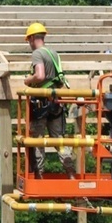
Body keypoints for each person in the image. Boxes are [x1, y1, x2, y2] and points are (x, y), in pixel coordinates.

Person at [23, 22, 76, 179]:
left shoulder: (38, 53)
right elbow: (59, 79)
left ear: (32, 38)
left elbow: (40, 75)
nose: (29, 44)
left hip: (40, 104)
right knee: (59, 141)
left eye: (29, 40)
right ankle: (71, 173)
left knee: (38, 141)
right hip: (55, 103)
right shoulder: (54, 53)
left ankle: (39, 175)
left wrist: (28, 80)